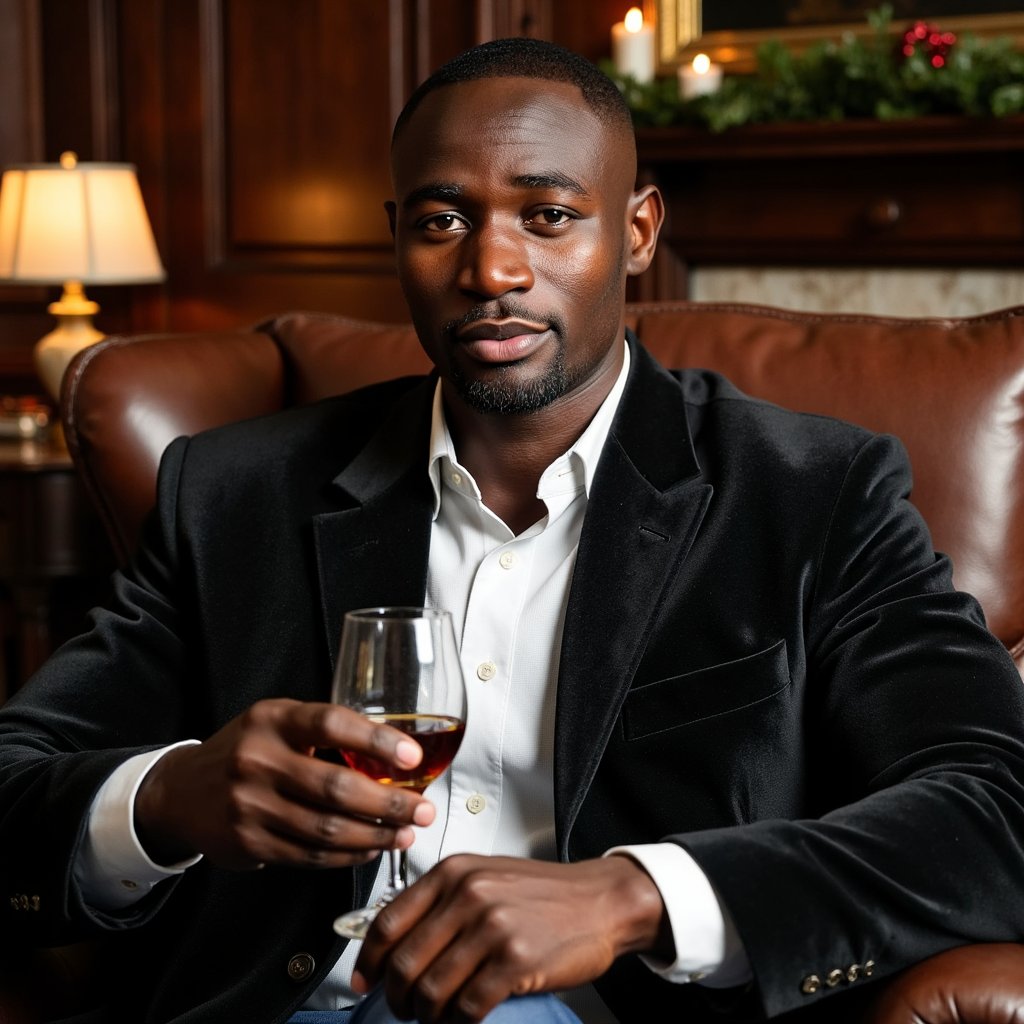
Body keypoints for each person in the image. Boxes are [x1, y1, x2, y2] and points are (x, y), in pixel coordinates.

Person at [2, 35, 1024, 1024]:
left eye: (546, 215)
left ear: (635, 231)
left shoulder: (814, 492)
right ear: (394, 235)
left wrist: (635, 897)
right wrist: (166, 795)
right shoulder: (235, 492)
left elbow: (994, 810)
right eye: (442, 221)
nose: (491, 268)